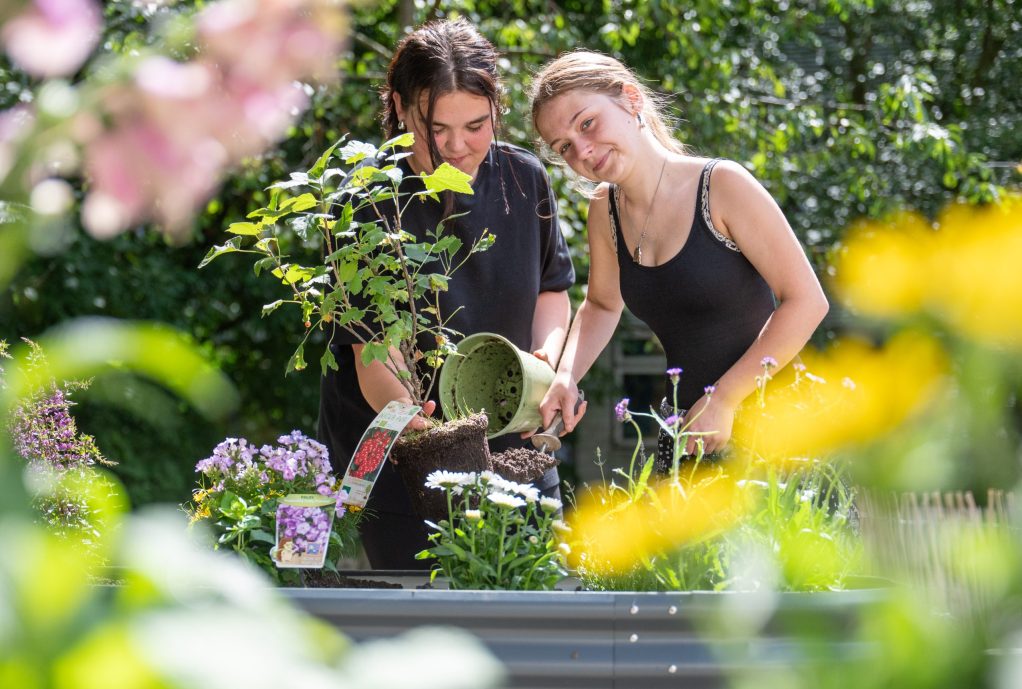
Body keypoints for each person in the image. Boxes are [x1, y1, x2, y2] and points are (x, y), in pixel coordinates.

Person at [318, 19, 575, 569]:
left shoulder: (522, 179)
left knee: (525, 599)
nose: (458, 147)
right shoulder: (367, 201)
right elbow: (372, 355)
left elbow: (553, 290)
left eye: (477, 126)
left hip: (512, 442)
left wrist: (544, 364)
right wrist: (420, 426)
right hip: (403, 454)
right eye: (437, 129)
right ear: (401, 108)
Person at [530, 51, 828, 469]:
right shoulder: (605, 209)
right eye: (565, 147)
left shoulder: (721, 185)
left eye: (587, 123)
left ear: (630, 99)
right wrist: (566, 376)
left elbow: (807, 301)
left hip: (774, 428)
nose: (582, 150)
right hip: (687, 427)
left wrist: (724, 399)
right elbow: (602, 303)